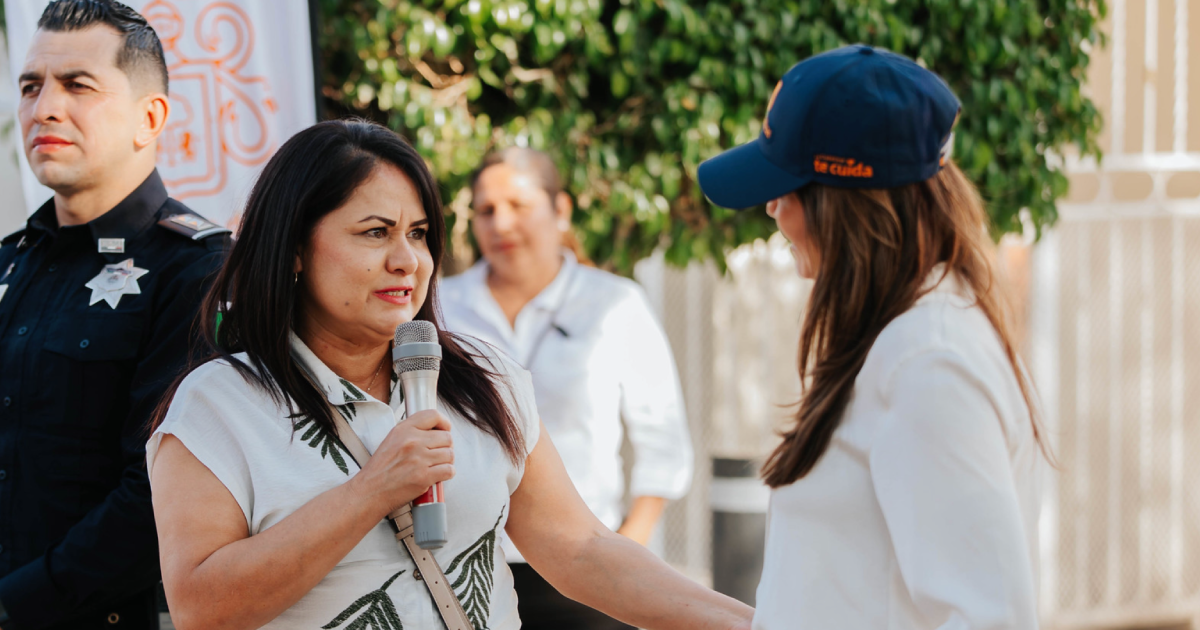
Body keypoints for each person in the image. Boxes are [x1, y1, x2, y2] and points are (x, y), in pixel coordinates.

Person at [146, 119, 751, 630]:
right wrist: (371, 491)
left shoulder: (485, 381)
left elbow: (581, 549)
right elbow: (201, 607)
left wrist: (753, 622)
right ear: (295, 248)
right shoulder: (219, 406)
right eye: (375, 233)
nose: (407, 260)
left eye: (418, 234)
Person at [697, 44, 1048, 629]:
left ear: (847, 203)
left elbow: (991, 618)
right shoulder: (899, 337)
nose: (773, 209)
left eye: (788, 187)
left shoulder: (928, 361)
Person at [0, 1, 231, 629]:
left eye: (77, 85)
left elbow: (161, 494)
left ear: (148, 118)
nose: (44, 108)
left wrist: (14, 604)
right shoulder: (10, 264)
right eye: (31, 87)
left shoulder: (197, 268)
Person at [439, 148, 694, 630]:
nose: (500, 223)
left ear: (561, 210)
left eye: (518, 205)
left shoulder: (616, 303)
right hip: (466, 572)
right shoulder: (439, 308)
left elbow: (664, 445)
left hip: (588, 575)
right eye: (486, 210)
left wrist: (626, 549)